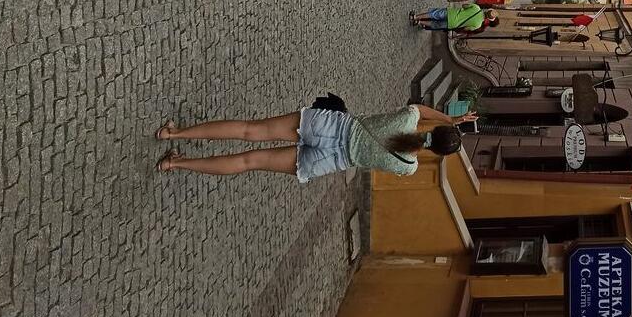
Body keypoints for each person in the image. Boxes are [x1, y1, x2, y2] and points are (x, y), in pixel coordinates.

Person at [154, 103, 473, 181]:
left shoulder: (407, 119)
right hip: (329, 161)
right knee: (250, 161)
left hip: (330, 127)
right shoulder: (409, 167)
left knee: (251, 130)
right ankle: (176, 163)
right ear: (435, 152)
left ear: (436, 129)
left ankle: (175, 133)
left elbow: (420, 109)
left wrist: (450, 118)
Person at [412, 3, 497, 33]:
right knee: (435, 24)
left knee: (434, 14)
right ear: (488, 19)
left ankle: (415, 16)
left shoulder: (476, 8)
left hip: (452, 13)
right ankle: (419, 22)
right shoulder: (478, 25)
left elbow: (464, 5)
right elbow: (466, 28)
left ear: (487, 11)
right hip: (453, 24)